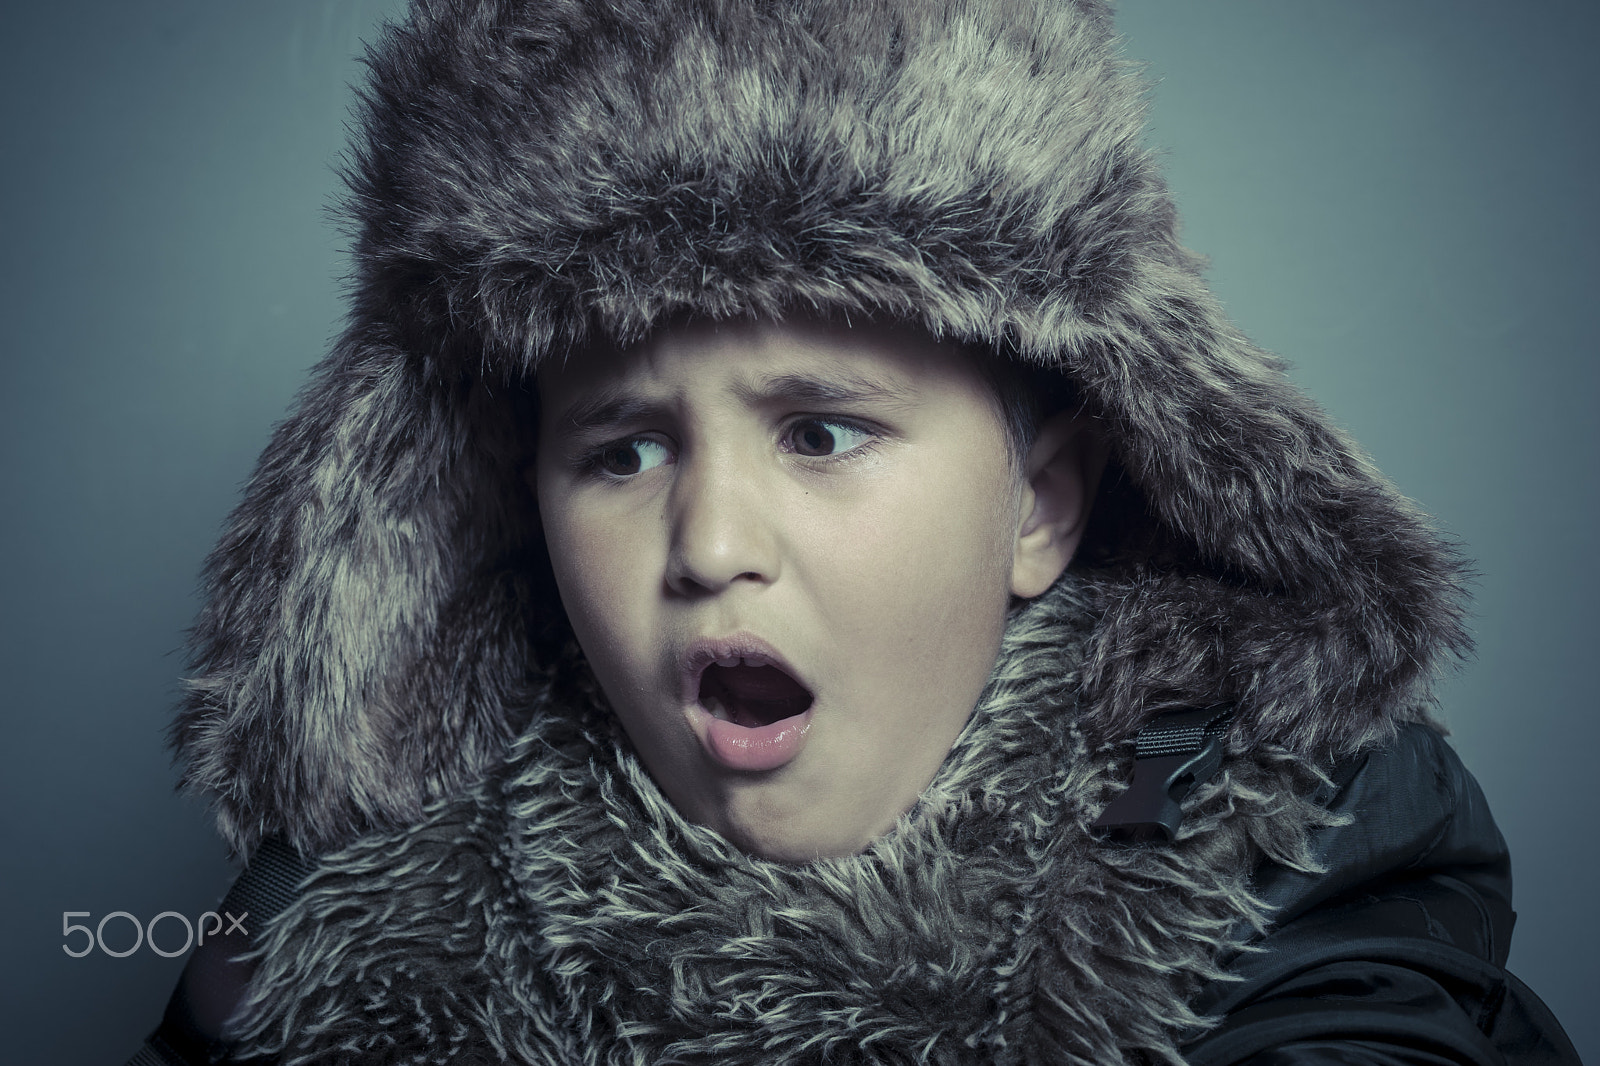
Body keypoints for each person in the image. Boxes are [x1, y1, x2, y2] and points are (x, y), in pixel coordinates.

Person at [128, 1, 1579, 1063]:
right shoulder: (357, 903)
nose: (706, 542)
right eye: (623, 449)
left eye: (821, 431)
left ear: (1040, 504)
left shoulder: (1294, 841)